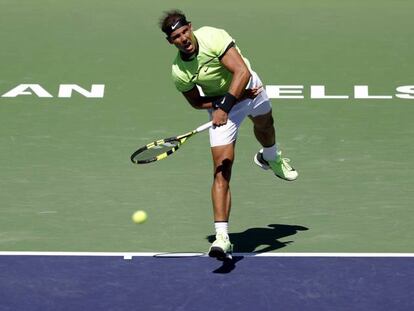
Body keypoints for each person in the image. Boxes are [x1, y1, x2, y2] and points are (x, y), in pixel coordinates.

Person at [159, 10, 298, 260]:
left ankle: (270, 156)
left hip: (248, 89)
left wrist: (227, 104)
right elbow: (196, 102)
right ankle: (222, 238)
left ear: (190, 27)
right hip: (223, 107)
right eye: (176, 37)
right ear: (171, 42)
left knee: (265, 125)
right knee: (222, 169)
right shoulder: (179, 71)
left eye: (184, 32)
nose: (183, 38)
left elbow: (241, 72)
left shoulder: (213, 36)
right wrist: (219, 107)